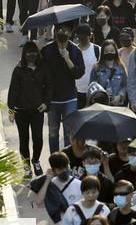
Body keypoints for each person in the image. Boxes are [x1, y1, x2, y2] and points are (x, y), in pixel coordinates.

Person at [7, 40, 51, 179]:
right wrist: (11, 110)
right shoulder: (18, 69)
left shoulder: (43, 68)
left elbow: (49, 87)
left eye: (33, 52)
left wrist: (46, 103)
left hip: (37, 110)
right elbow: (13, 90)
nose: (31, 55)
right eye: (28, 53)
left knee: (38, 138)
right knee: (24, 139)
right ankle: (26, 165)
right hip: (21, 110)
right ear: (24, 54)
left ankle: (36, 160)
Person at [41, 22, 85, 152]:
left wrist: (67, 59)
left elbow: (79, 73)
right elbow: (40, 72)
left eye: (66, 31)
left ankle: (67, 160)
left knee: (68, 133)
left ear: (71, 34)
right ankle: (54, 160)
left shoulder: (75, 51)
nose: (62, 33)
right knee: (53, 133)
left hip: (69, 98)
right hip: (52, 99)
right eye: (60, 30)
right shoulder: (47, 50)